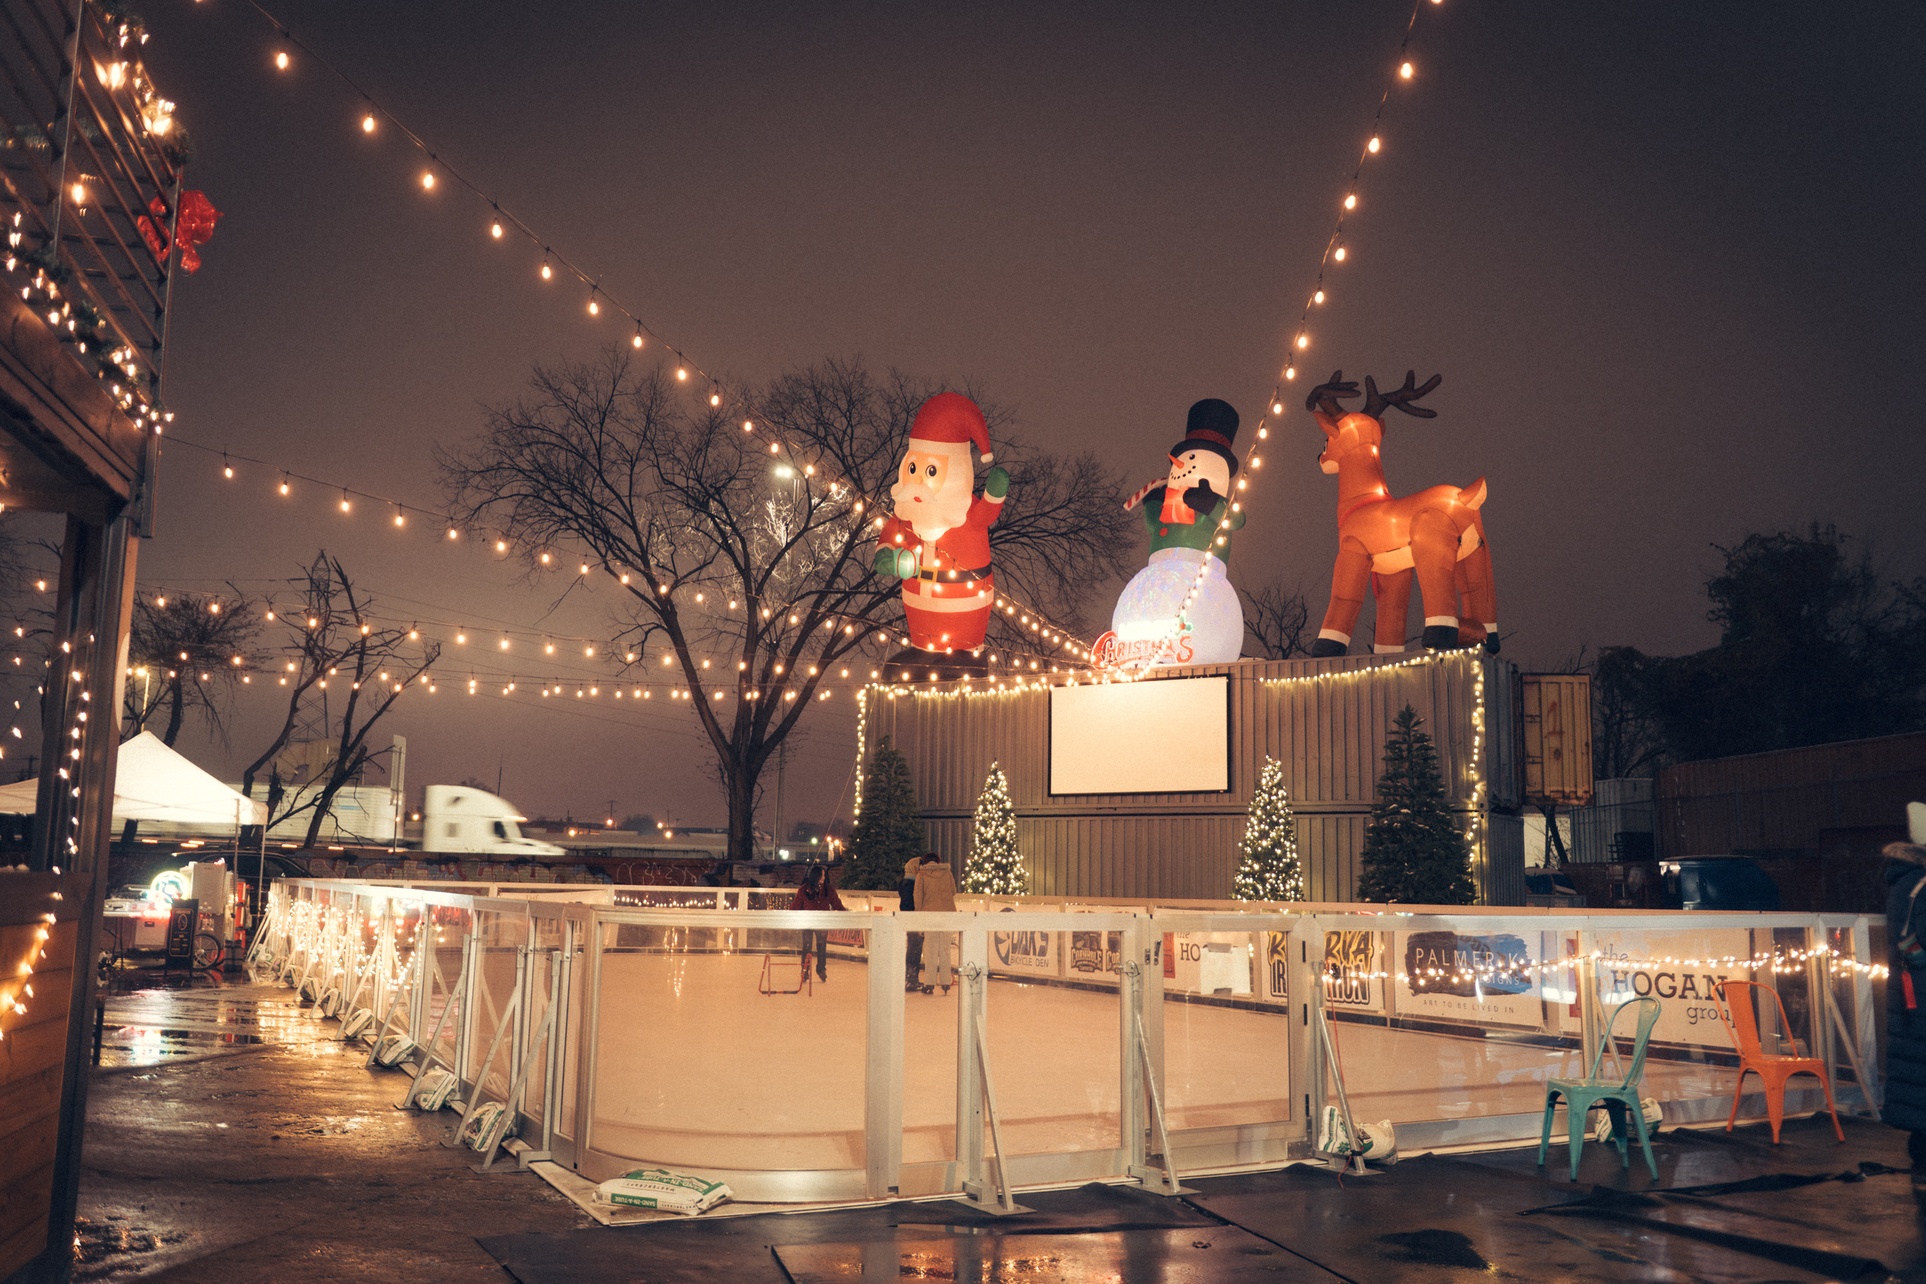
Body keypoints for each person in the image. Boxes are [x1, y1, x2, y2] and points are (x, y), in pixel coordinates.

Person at [1885, 801, 1926, 1190]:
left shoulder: (1906, 884)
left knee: (1917, 1077)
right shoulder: (1920, 886)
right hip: (1920, 1002)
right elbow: (1915, 944)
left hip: (1913, 1002)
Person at [913, 853, 959, 994]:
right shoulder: (947, 873)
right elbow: (953, 891)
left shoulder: (921, 875)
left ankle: (929, 983)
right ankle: (945, 982)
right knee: (945, 949)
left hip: (929, 915)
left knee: (930, 950)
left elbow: (918, 897)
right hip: (947, 915)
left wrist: (919, 919)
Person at [790, 864, 840, 982]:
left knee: (821, 946)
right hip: (807, 922)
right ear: (816, 876)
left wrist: (844, 913)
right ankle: (805, 970)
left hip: (822, 922)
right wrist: (790, 915)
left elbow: (836, 903)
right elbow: (796, 905)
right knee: (806, 946)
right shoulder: (804, 889)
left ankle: (821, 969)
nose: (824, 877)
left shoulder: (828, 890)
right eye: (822, 875)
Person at [901, 854, 925, 992]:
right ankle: (911, 979)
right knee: (914, 949)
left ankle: (910, 978)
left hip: (909, 919)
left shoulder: (905, 883)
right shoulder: (911, 884)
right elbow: (912, 902)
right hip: (913, 919)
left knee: (913, 948)